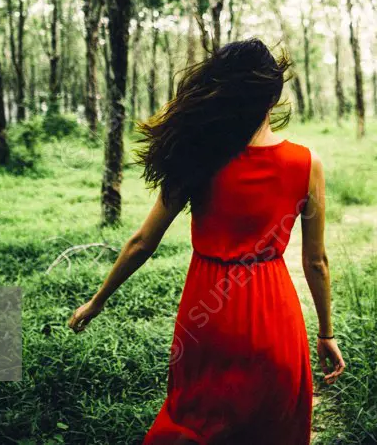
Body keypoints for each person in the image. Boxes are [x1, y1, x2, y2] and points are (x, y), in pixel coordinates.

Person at [68, 38, 345, 444]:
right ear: (273, 95)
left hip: (207, 314)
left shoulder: (199, 156)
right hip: (274, 316)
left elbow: (143, 242)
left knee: (196, 419)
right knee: (272, 425)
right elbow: (316, 261)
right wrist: (325, 333)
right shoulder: (307, 164)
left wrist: (98, 301)